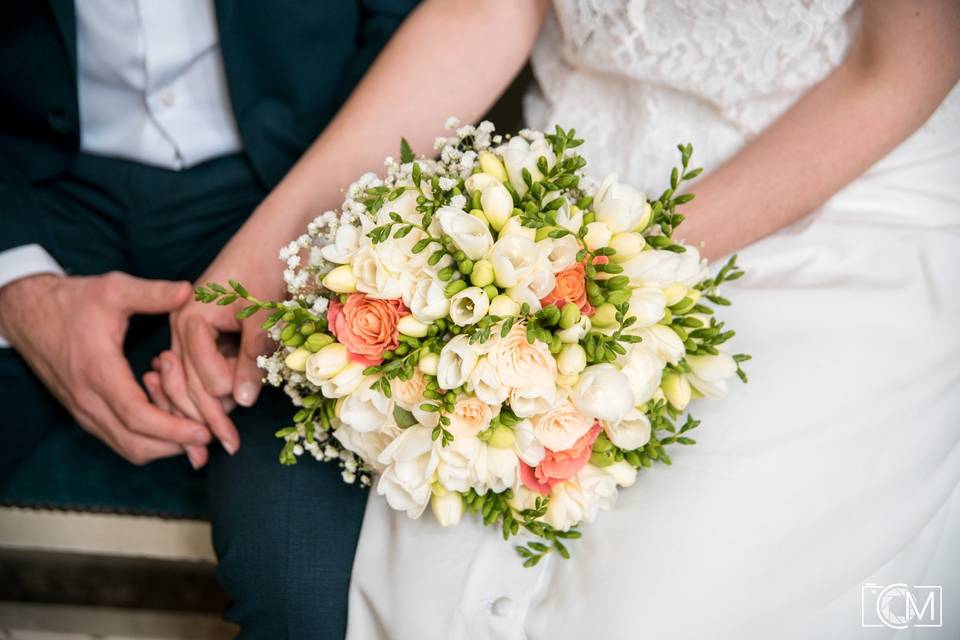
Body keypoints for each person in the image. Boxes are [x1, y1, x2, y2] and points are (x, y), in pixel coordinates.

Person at [150, 0, 959, 637]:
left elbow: (896, 71)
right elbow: (487, 8)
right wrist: (274, 235)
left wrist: (607, 269)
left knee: (659, 606)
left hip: (837, 210)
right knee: (432, 572)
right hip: (558, 180)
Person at [0, 1, 418, 637]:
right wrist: (17, 283)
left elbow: (418, 23)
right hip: (25, 181)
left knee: (302, 587)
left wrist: (323, 224)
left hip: (306, 174)